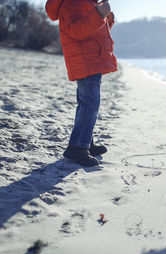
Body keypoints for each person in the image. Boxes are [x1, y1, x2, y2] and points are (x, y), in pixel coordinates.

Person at [45, 0, 117, 166]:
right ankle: (77, 147)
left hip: (91, 58)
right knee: (90, 103)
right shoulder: (73, 3)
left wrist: (106, 17)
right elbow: (77, 31)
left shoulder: (85, 3)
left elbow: (94, 32)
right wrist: (99, 14)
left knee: (86, 103)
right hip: (86, 60)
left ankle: (85, 142)